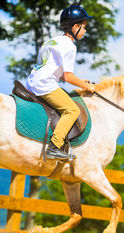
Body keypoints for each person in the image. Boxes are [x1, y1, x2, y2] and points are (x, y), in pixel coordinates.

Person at [26, 5, 96, 160]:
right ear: (75, 27)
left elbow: (63, 75)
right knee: (72, 110)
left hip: (32, 82)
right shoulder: (69, 46)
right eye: (84, 27)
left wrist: (80, 81)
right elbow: (68, 76)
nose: (85, 30)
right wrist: (87, 86)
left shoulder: (53, 41)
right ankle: (54, 147)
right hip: (45, 85)